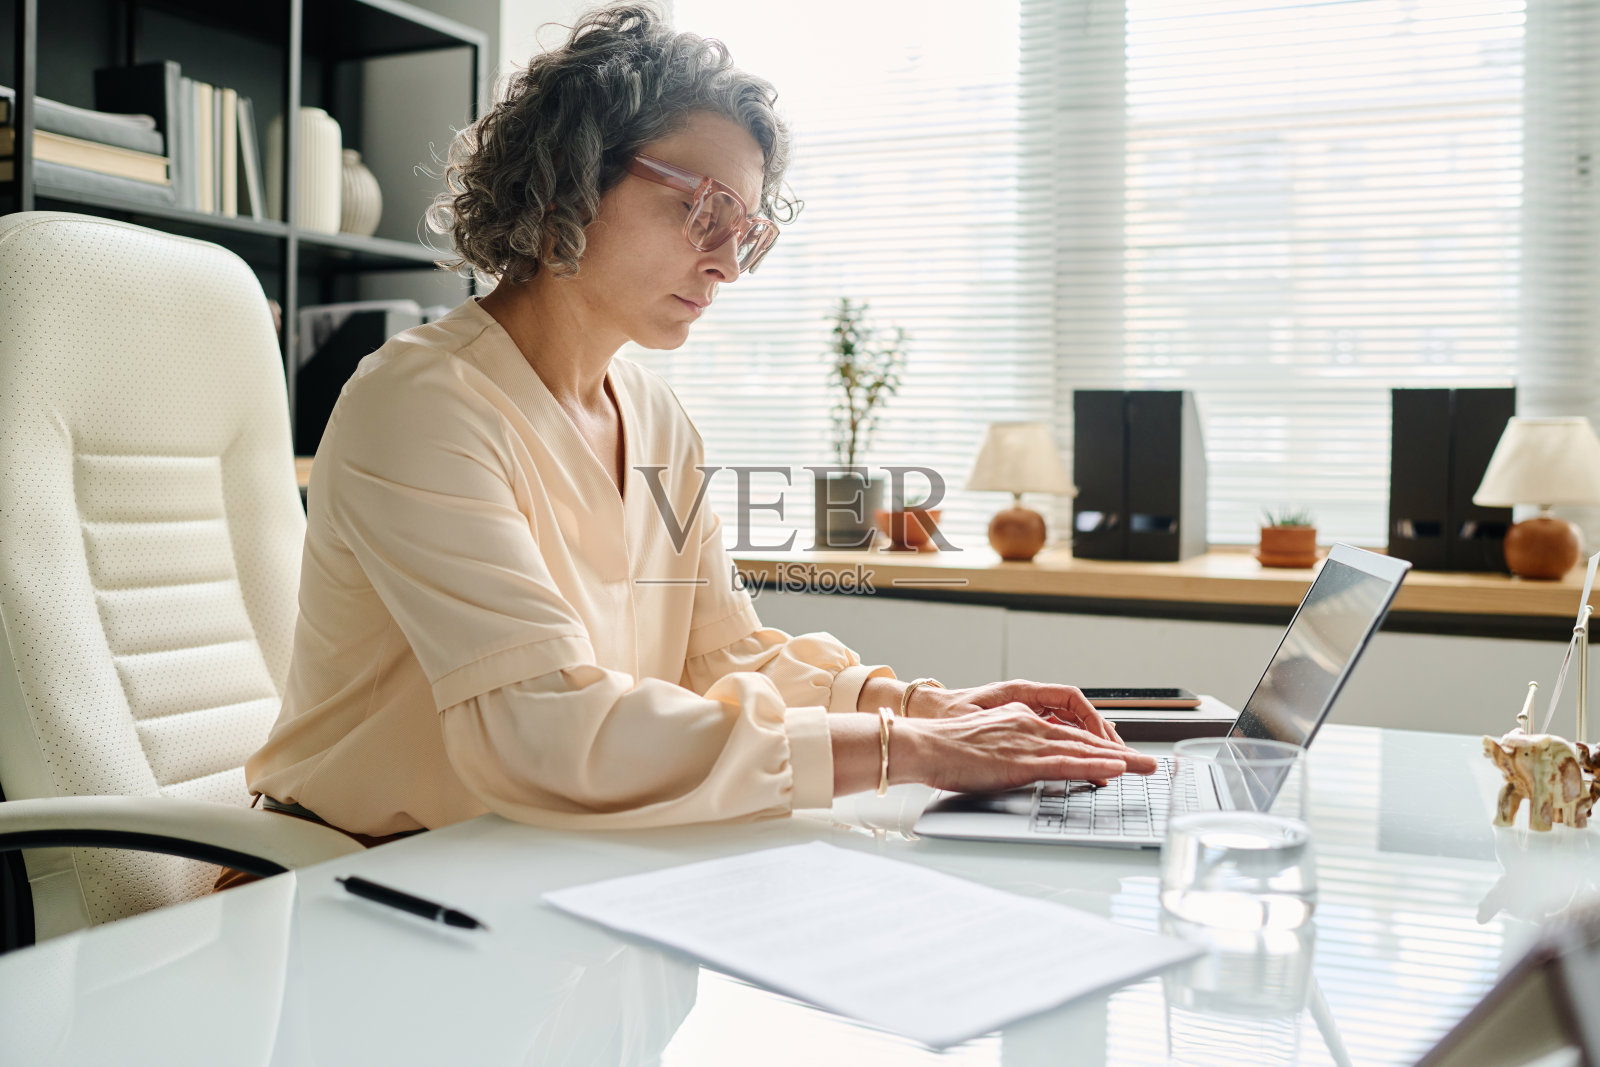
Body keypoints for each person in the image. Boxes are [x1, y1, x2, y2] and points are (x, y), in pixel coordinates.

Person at [240, 3, 1154, 856]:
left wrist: (932, 707)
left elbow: (720, 652)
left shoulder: (657, 416)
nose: (724, 262)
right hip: (365, 876)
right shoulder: (424, 404)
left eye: (746, 231)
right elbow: (542, 724)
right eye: (703, 209)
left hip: (537, 860)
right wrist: (902, 746)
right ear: (568, 178)